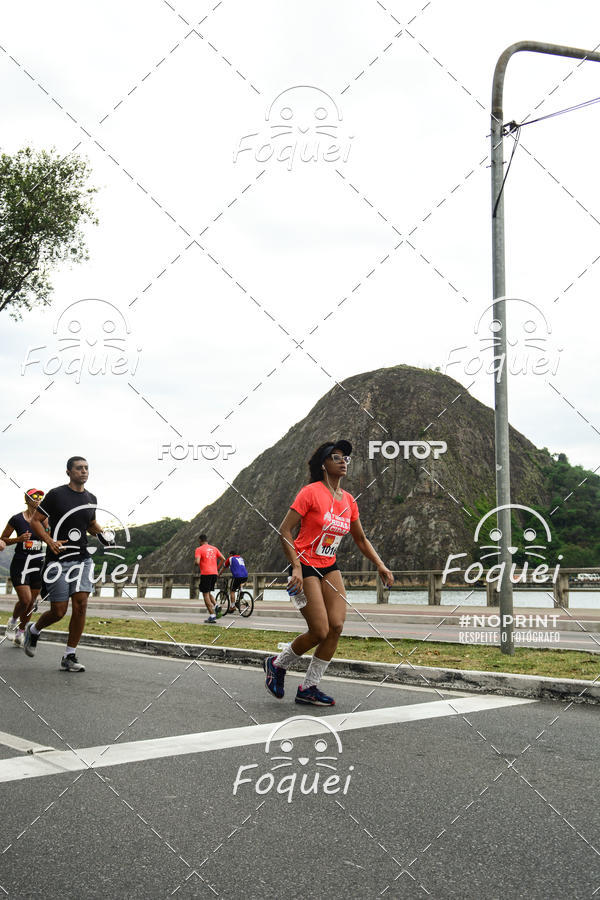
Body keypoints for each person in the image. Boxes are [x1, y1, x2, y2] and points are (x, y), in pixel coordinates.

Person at [264, 440, 394, 706]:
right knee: (319, 630)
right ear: (324, 464)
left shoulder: (348, 501)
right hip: (305, 565)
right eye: (336, 457)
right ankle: (277, 664)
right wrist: (297, 567)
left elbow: (360, 539)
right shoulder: (310, 492)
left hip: (329, 565)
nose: (343, 461)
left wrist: (380, 564)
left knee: (336, 626)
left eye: (345, 457)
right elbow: (285, 530)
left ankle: (309, 688)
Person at [23, 456, 111, 672]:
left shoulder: (91, 498)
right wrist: (49, 541)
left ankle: (69, 656)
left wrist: (103, 535)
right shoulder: (56, 495)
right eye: (79, 468)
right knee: (59, 611)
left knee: (80, 606)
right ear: (69, 472)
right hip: (58, 560)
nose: (84, 471)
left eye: (86, 468)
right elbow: (35, 520)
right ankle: (34, 630)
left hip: (82, 559)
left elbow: (89, 523)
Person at [3, 489, 48, 645]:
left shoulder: (44, 519)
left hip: (37, 563)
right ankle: (12, 621)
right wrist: (19, 539)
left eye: (41, 497)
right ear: (27, 499)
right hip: (21, 562)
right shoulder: (16, 519)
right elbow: (3, 539)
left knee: (31, 603)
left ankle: (21, 632)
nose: (38, 499)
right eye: (35, 496)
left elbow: (50, 535)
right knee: (25, 600)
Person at [194, 534, 225, 623]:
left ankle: (212, 615)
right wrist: (217, 568)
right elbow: (223, 559)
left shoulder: (199, 549)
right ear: (206, 540)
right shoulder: (214, 548)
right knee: (208, 592)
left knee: (205, 594)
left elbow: (197, 562)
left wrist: (195, 562)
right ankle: (216, 605)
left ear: (200, 540)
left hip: (206, 574)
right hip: (214, 573)